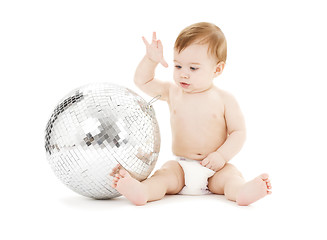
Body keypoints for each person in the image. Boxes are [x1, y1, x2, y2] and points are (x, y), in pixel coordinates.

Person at [110, 22, 271, 206]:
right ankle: (142, 191)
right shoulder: (172, 92)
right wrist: (151, 59)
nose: (183, 74)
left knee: (231, 177)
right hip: (181, 166)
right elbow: (142, 81)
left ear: (217, 69)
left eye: (193, 68)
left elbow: (238, 132)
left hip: (214, 170)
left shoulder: (224, 99)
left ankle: (242, 192)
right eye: (178, 66)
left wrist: (221, 156)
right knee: (163, 176)